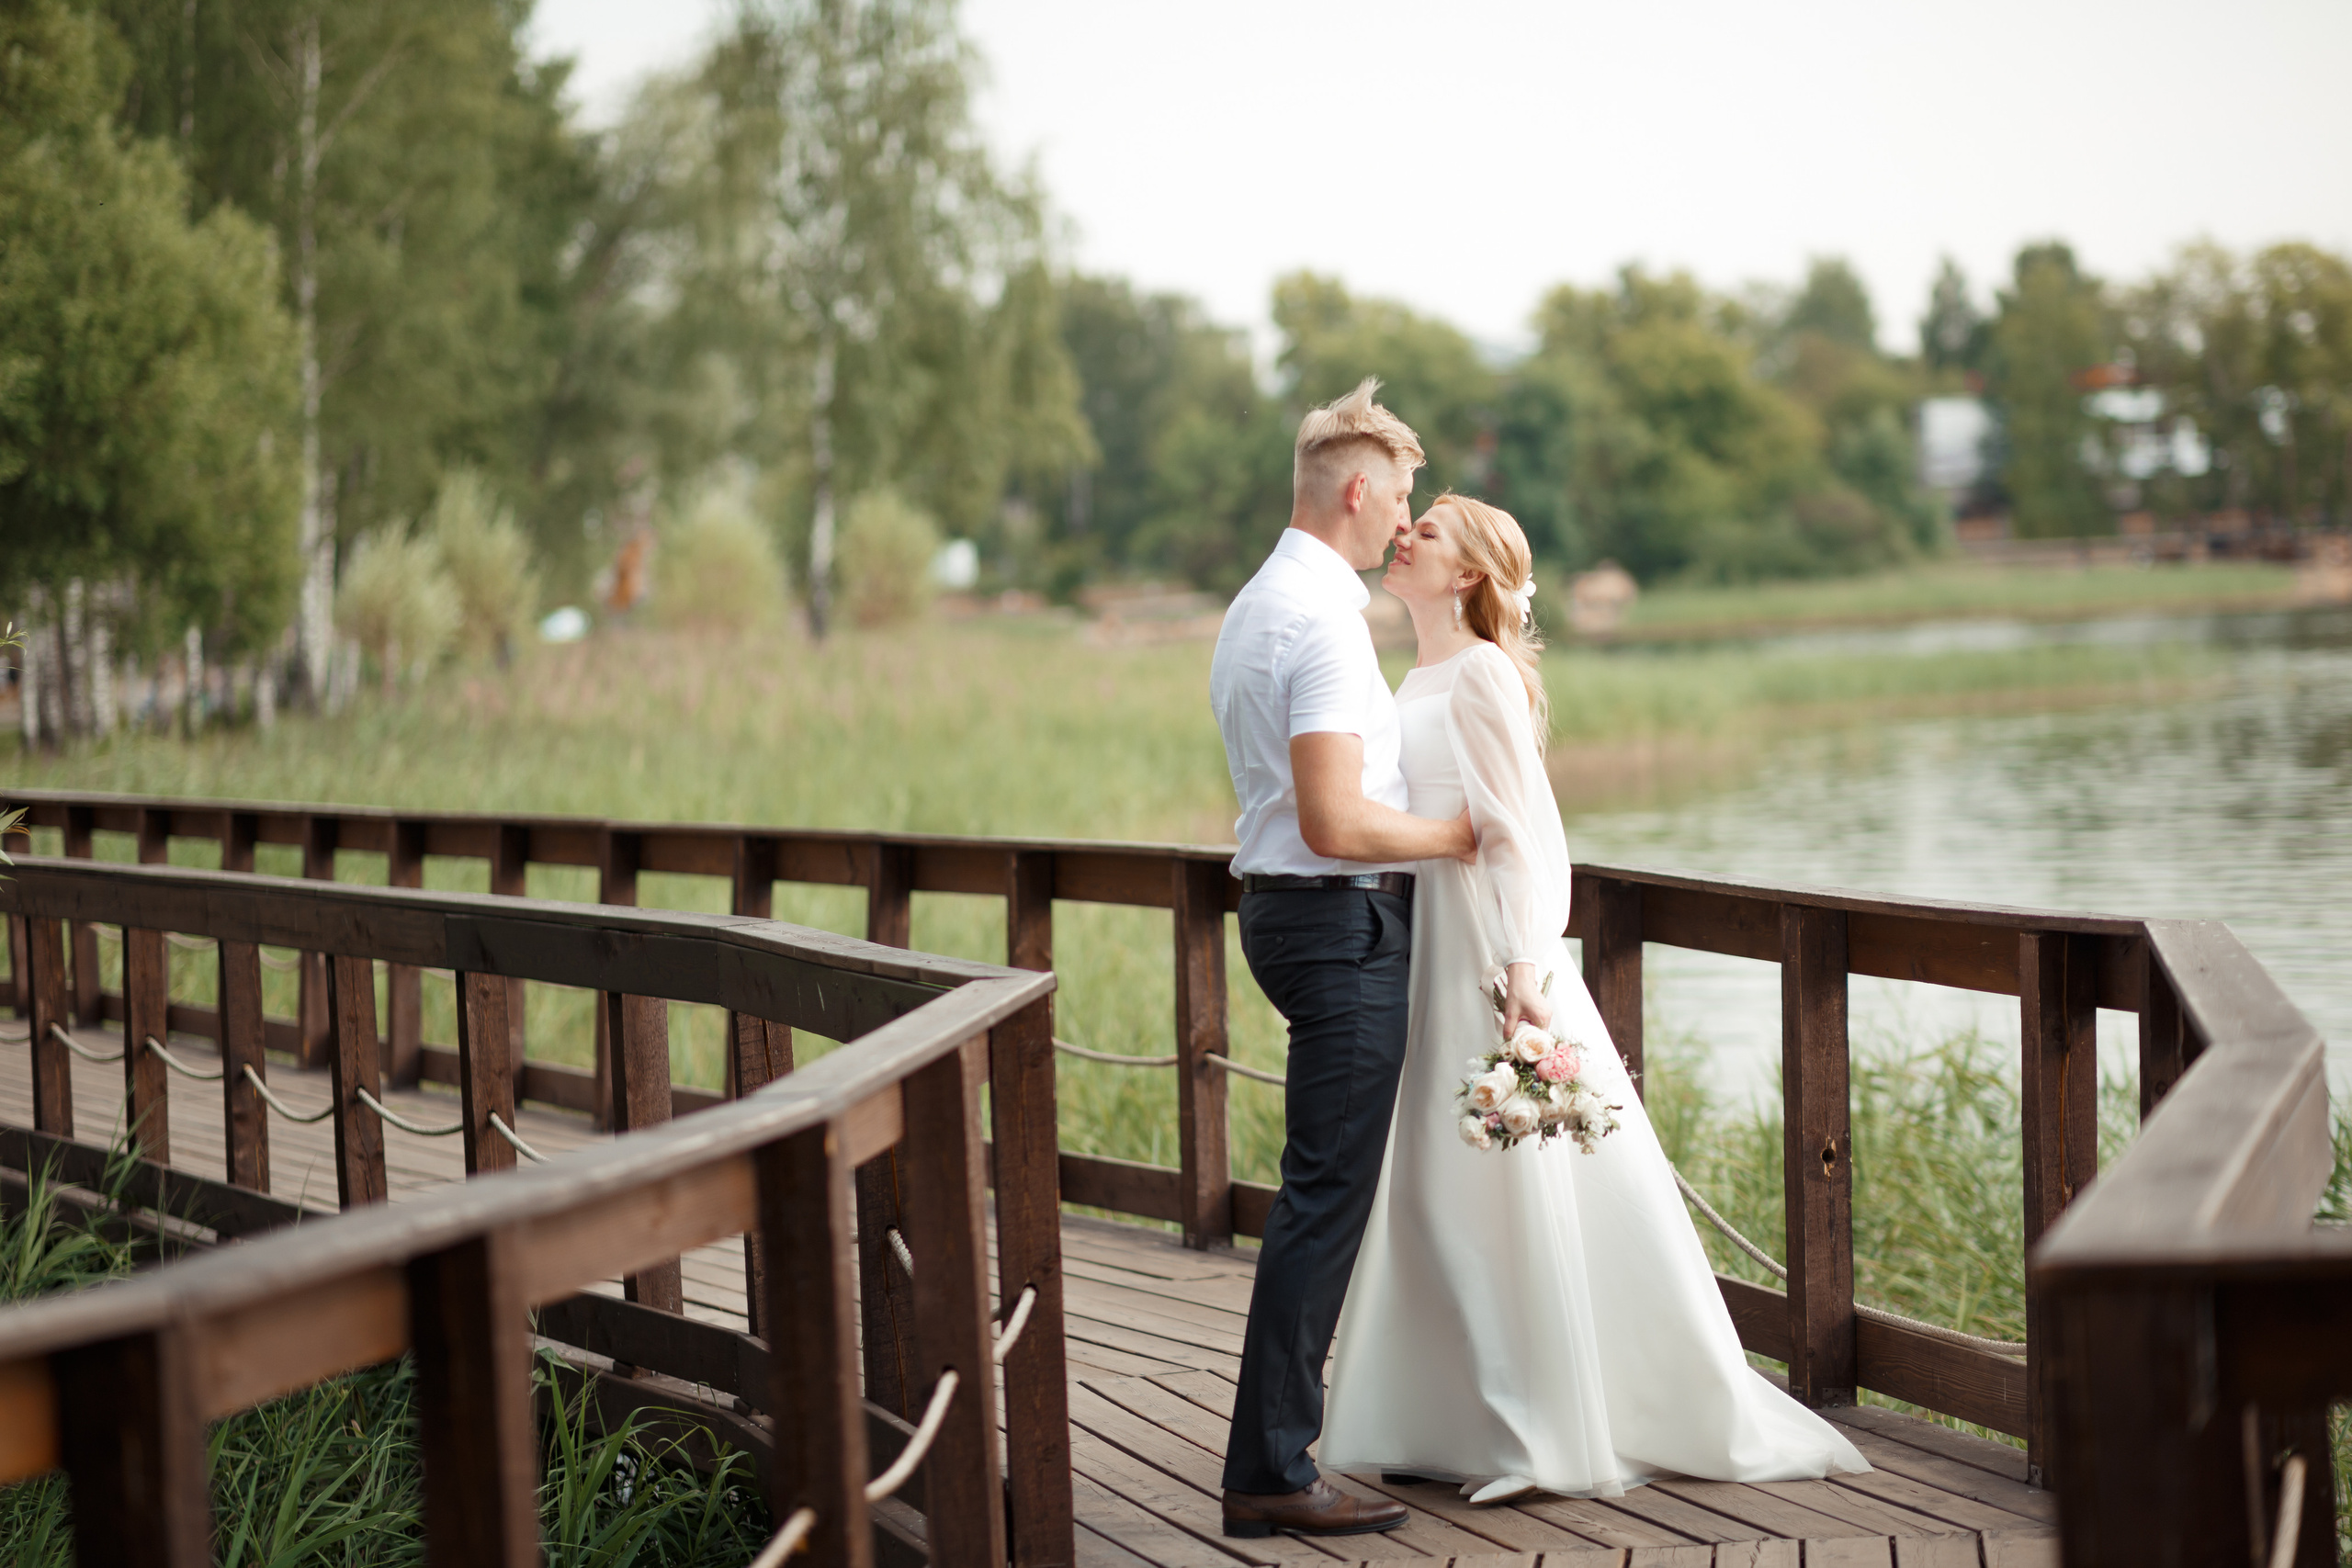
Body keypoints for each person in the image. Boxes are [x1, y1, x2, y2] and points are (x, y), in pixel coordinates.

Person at [1319, 492, 1869, 1504]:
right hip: (1430, 945)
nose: (1405, 538)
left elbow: (1525, 832)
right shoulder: (1421, 670)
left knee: (1505, 1180)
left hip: (1486, 953)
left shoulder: (1482, 672)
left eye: (1427, 532)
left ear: (1469, 575)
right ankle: (1452, 1415)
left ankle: (1539, 1422)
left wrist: (1524, 971)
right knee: (1444, 1187)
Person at [1208, 379, 1476, 1540]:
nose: (1403, 518)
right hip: (1337, 923)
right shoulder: (1315, 620)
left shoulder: (1259, 600)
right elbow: (1333, 820)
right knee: (1323, 1200)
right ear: (1357, 491)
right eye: (1401, 494)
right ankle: (1271, 1469)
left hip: (1296, 919)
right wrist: (1463, 836)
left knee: (1322, 1193)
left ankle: (1285, 1446)